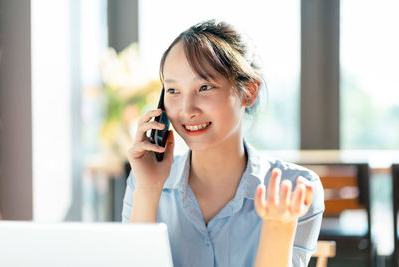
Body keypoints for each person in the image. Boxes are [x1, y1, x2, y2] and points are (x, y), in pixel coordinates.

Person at [122, 19, 324, 267]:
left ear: (249, 92)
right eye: (173, 91)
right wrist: (149, 190)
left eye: (205, 87)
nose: (187, 110)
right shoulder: (142, 182)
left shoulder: (293, 189)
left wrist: (278, 227)